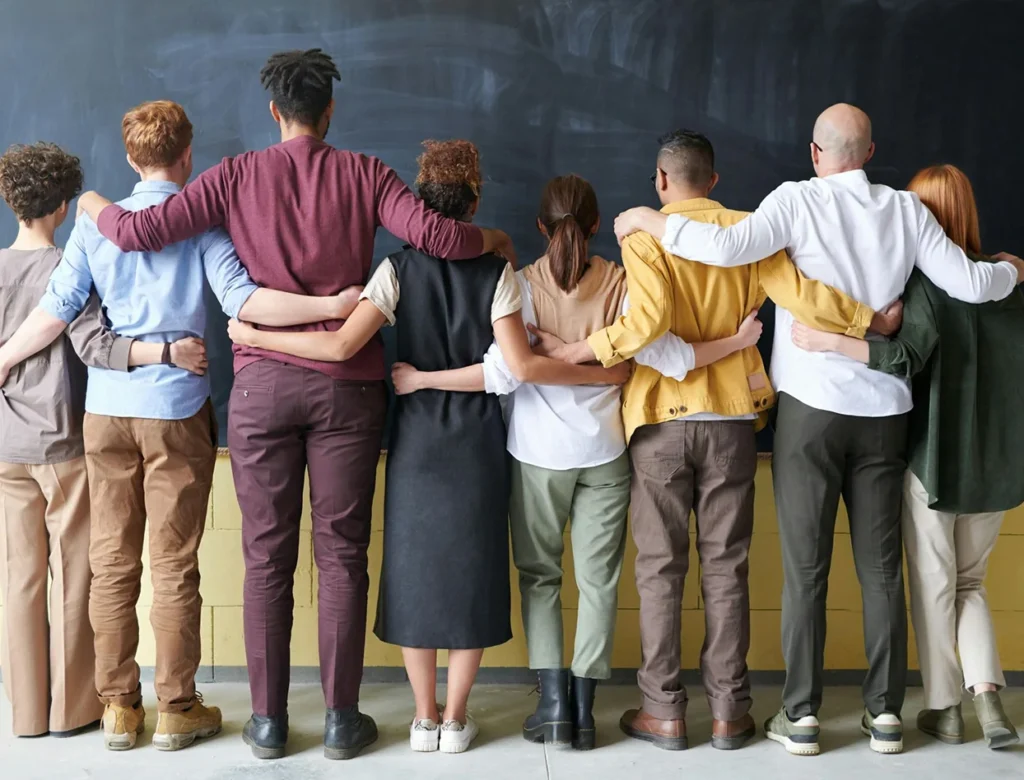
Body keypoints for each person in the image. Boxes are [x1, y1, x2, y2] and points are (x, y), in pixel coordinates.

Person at [76, 50, 518, 761]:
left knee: (265, 558)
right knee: (343, 556)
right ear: (330, 110)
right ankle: (343, 721)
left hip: (260, 388)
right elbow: (437, 237)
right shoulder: (366, 174)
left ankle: (268, 724)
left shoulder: (233, 176)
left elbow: (137, 233)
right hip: (347, 391)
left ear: (275, 112)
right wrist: (493, 239)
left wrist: (94, 202)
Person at [612, 105, 1024, 757]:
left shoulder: (794, 202)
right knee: (881, 569)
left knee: (806, 570)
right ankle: (885, 715)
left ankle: (800, 716)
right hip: (886, 412)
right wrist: (1012, 271)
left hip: (809, 409)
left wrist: (644, 220)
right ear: (869, 152)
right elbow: (973, 284)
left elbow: (719, 246)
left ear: (815, 152)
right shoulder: (906, 211)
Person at [228, 141, 629, 754]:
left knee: (414, 570)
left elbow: (339, 348)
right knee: (471, 571)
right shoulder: (497, 271)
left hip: (415, 438)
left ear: (419, 205)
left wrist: (255, 334)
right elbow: (514, 365)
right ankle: (456, 717)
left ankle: (422, 717)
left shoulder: (394, 270)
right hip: (476, 439)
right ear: (473, 202)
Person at [516, 130, 895, 753]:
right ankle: (729, 713)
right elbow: (800, 295)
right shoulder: (750, 228)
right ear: (713, 181)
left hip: (661, 423)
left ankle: (663, 711)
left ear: (661, 181)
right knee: (727, 568)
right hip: (731, 420)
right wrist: (866, 320)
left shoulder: (643, 237)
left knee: (659, 570)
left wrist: (579, 351)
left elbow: (647, 324)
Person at [0, 103, 361, 752]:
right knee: (173, 564)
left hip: (105, 412)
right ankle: (176, 707)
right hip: (175, 411)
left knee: (111, 562)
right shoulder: (203, 227)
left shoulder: (91, 227)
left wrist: (1, 358)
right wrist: (332, 307)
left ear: (133, 158)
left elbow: (55, 316)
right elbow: (246, 301)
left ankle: (117, 710)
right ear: (187, 155)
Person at [391, 171, 764, 751]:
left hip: (536, 455)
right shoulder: (622, 281)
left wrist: (540, 359)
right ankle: (586, 711)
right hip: (606, 451)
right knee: (599, 582)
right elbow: (649, 360)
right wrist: (606, 370)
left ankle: (555, 707)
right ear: (596, 226)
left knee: (540, 578)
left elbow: (501, 372)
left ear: (540, 227)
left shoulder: (518, 283)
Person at [790, 164, 1021, 751]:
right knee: (970, 583)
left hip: (932, 462)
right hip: (996, 466)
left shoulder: (925, 287)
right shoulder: (1008, 285)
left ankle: (944, 708)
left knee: (934, 585)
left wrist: (829, 340)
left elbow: (904, 355)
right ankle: (987, 697)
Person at [0, 142, 205, 738]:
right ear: (63, 207)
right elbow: (96, 346)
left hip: (8, 441)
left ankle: (27, 712)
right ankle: (74, 710)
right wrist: (166, 352)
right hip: (64, 439)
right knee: (79, 574)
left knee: (20, 577)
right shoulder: (73, 259)